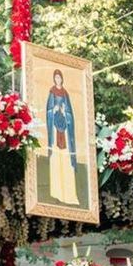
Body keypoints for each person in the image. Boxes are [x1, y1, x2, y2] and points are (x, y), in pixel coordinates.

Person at [45, 69, 79, 206]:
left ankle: (69, 194)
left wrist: (65, 112)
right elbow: (48, 111)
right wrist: (53, 110)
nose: (58, 80)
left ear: (62, 79)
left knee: (66, 161)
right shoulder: (52, 92)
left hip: (65, 132)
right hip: (55, 131)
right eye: (56, 78)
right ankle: (56, 192)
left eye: (59, 77)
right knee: (56, 160)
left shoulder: (65, 94)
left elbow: (70, 113)